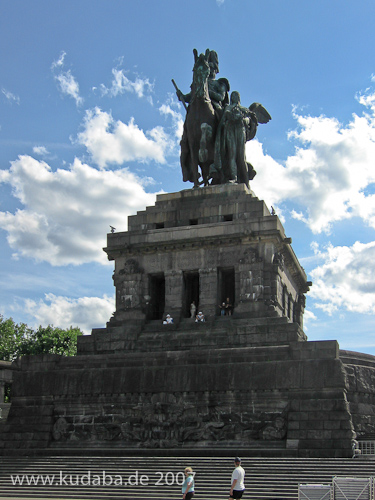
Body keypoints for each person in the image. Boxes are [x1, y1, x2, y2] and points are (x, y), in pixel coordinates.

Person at [210, 91, 257, 187]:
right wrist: (227, 117)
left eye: (236, 96)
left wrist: (243, 119)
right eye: (232, 96)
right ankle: (233, 178)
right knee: (232, 154)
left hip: (240, 129)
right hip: (230, 129)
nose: (234, 97)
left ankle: (245, 181)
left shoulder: (244, 109)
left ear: (239, 98)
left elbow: (249, 120)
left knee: (241, 157)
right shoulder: (227, 108)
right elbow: (222, 122)